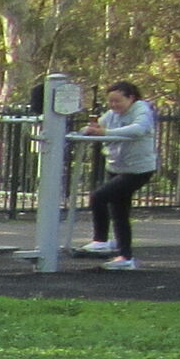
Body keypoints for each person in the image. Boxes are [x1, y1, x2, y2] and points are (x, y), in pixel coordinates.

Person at [72, 81, 159, 269]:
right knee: (119, 212)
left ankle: (100, 240)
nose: (113, 105)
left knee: (98, 197)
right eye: (110, 101)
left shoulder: (141, 110)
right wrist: (88, 131)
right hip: (116, 167)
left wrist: (105, 132)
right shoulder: (112, 114)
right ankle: (125, 257)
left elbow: (139, 129)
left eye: (117, 101)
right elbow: (95, 128)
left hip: (137, 170)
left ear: (131, 98)